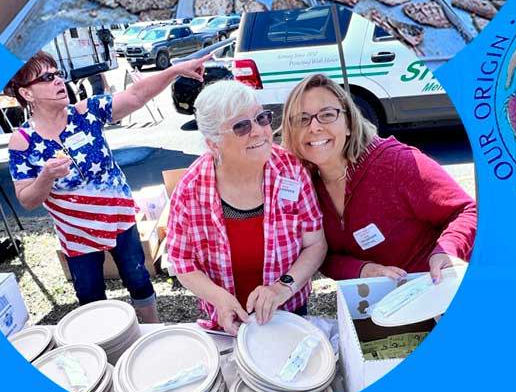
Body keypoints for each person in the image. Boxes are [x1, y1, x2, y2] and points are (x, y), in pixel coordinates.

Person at [5, 49, 210, 317]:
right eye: (46, 77)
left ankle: (151, 331)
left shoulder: (86, 113)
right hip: (77, 236)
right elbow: (27, 200)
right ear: (27, 93)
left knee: (139, 281)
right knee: (91, 298)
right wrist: (46, 177)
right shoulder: (23, 141)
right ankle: (106, 348)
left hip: (120, 222)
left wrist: (174, 71)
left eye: (58, 74)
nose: (58, 81)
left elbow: (136, 95)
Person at [166, 80, 326, 333]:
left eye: (261, 118)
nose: (259, 131)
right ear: (213, 144)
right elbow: (181, 261)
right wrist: (219, 299)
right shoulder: (191, 190)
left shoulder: (291, 170)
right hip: (226, 317)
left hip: (287, 309)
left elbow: (315, 243)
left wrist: (282, 287)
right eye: (241, 126)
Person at [281, 74, 476, 281]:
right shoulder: (306, 186)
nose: (314, 127)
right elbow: (323, 254)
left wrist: (446, 250)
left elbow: (467, 210)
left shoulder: (395, 162)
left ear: (348, 124)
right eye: (302, 119)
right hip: (382, 303)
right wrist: (363, 270)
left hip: (439, 289)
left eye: (327, 115)